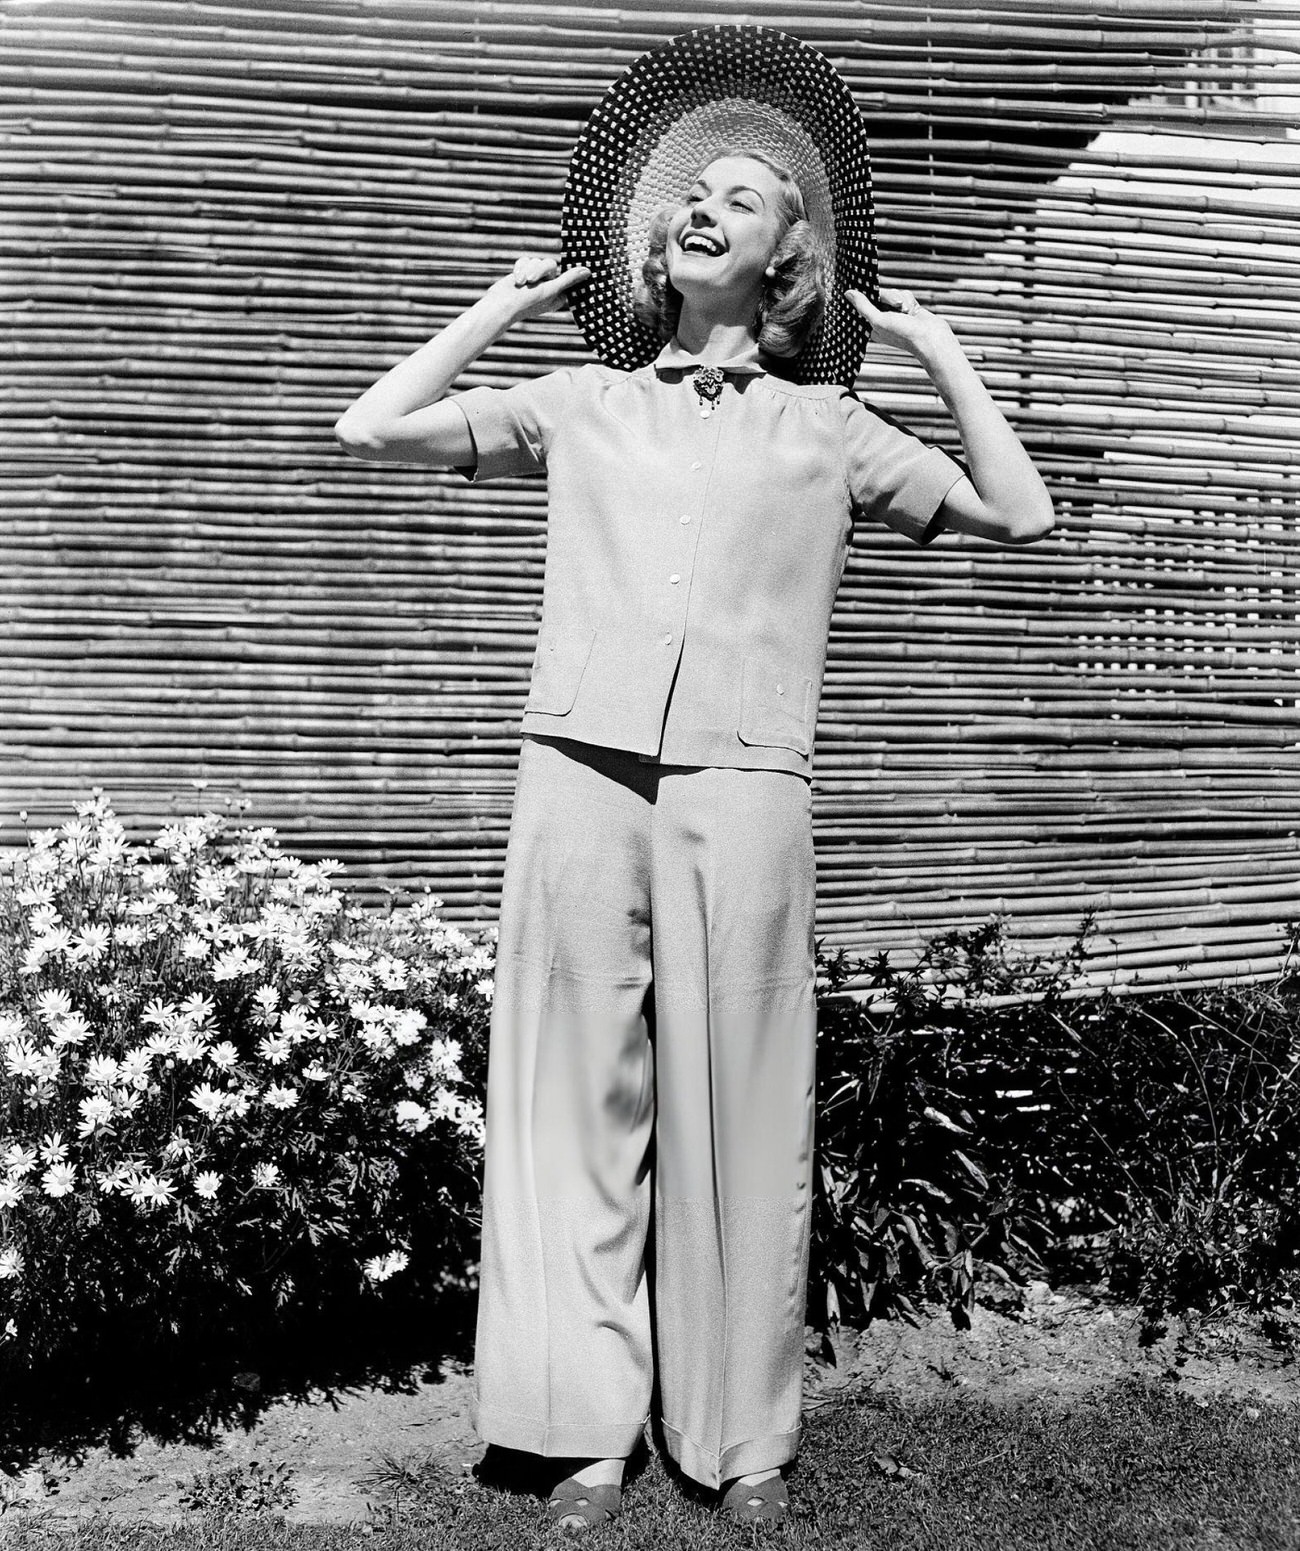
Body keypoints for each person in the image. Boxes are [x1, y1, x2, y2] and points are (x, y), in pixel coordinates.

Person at [335, 25, 1053, 1533]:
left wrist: (942, 356)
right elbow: (372, 425)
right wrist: (486, 311)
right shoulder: (582, 401)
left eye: (743, 193)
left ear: (792, 255)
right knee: (568, 1095)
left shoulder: (831, 429)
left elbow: (1021, 513)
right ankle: (580, 1430)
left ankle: (739, 1438)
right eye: (688, 193)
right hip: (578, 774)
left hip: (746, 784)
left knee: (743, 1100)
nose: (703, 206)